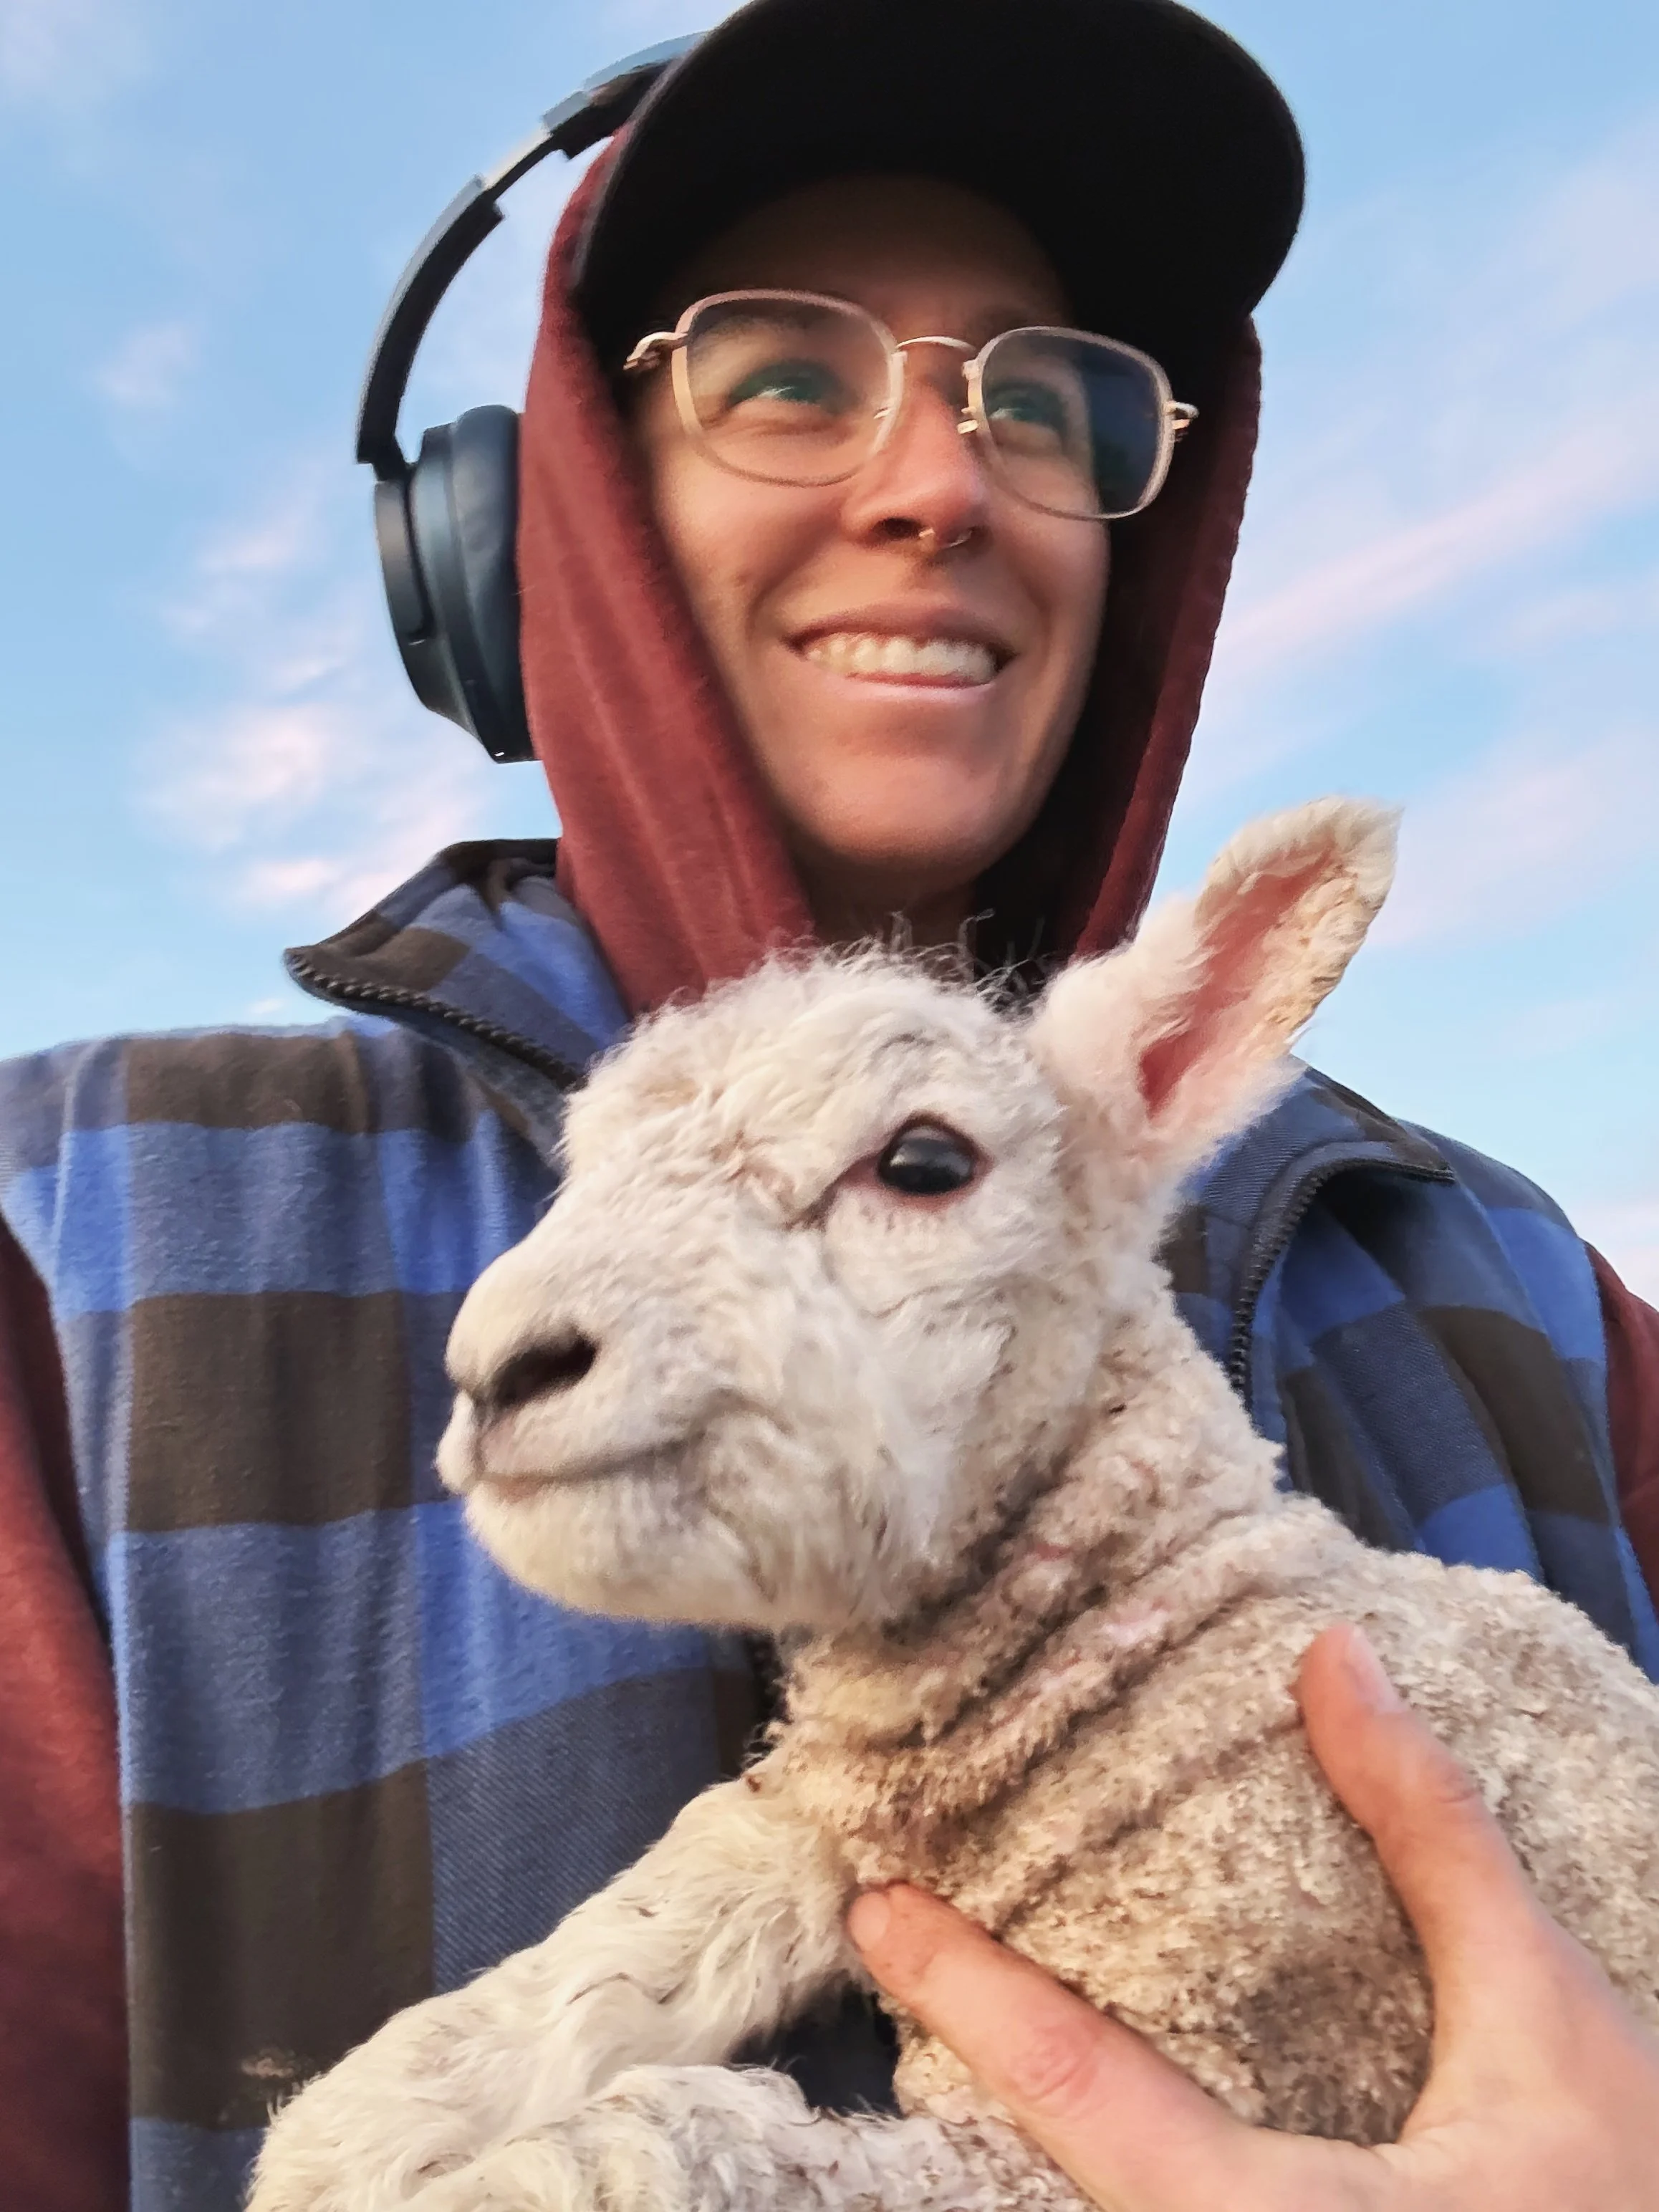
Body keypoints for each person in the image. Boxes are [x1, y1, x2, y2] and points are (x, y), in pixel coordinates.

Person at [0, 1, 1654, 2208]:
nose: (938, 483)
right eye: (782, 376)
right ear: (542, 527)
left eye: (1044, 403)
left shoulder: (1497, 1278)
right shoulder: (81, 1246)